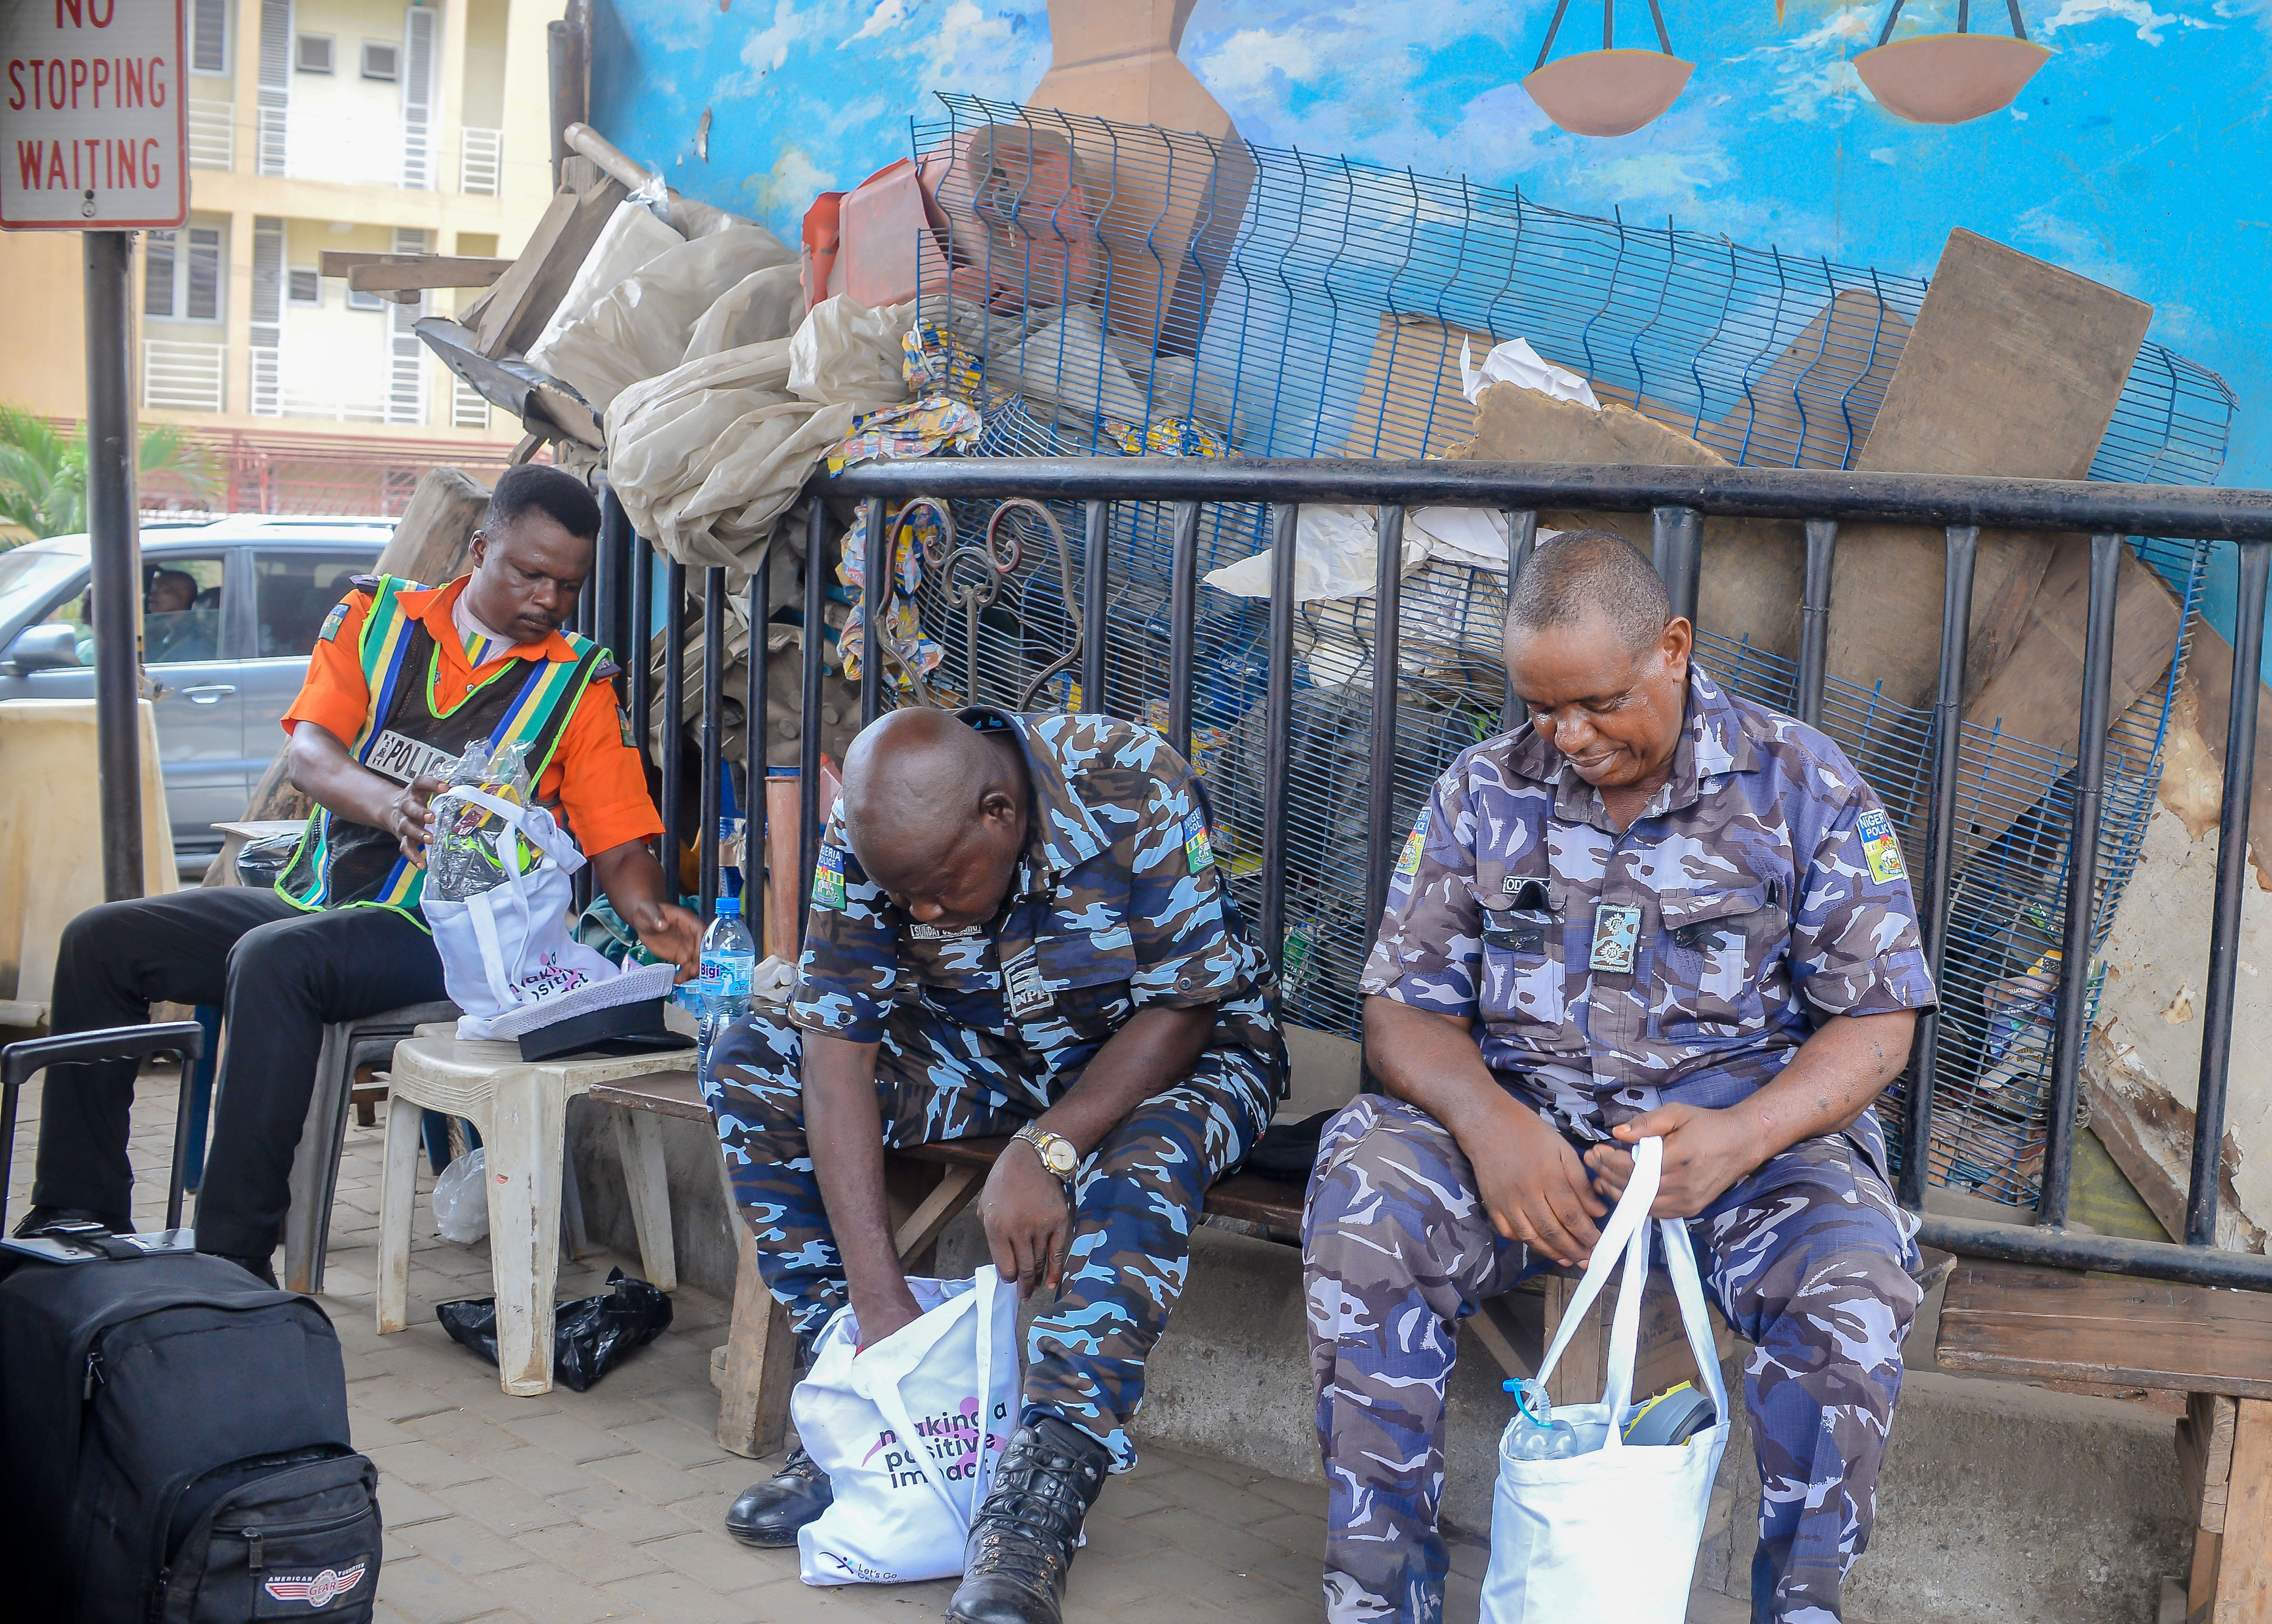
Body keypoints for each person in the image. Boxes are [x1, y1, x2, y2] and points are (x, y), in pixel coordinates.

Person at [1305, 529, 1936, 1624]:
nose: (1570, 737)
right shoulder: (1482, 790)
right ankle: (1376, 1597)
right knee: (1365, 1193)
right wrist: (1487, 1122)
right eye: (1543, 709)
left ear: (1674, 649)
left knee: (1854, 1289)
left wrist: (1743, 1140)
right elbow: (1398, 1008)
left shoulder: (1800, 784)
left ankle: (1800, 1604)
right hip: (1528, 1151)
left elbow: (1877, 1023)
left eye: (1596, 703)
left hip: (1741, 1158)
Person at [20, 465, 701, 1281]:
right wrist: (391, 809)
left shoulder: (579, 687)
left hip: (445, 938)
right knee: (103, 941)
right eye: (529, 574)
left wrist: (650, 912)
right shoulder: (376, 618)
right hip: (314, 894)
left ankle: (231, 1261)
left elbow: (619, 844)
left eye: (568, 586)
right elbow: (311, 757)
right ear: (481, 548)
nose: (548, 601)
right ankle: (76, 1213)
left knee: (277, 963)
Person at [702, 704, 1282, 1624]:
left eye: (937, 886)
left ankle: (1035, 1497)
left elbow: (1187, 1004)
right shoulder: (872, 825)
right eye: (906, 897)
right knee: (750, 1058)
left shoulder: (1130, 776)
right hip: (982, 1053)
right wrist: (879, 1305)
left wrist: (1046, 1146)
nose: (921, 911)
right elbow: (839, 1048)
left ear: (1000, 814)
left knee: (1145, 1163)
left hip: (1175, 1056)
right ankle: (870, 1399)